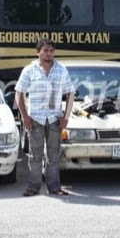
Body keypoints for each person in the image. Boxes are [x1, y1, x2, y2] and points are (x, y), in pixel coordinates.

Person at [15, 38, 75, 197]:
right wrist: (25, 116)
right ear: (38, 52)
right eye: (45, 50)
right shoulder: (29, 70)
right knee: (35, 155)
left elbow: (70, 93)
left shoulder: (61, 70)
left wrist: (66, 118)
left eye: (51, 51)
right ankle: (33, 187)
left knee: (53, 155)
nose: (49, 54)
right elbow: (19, 93)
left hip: (55, 119)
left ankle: (54, 187)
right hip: (35, 119)